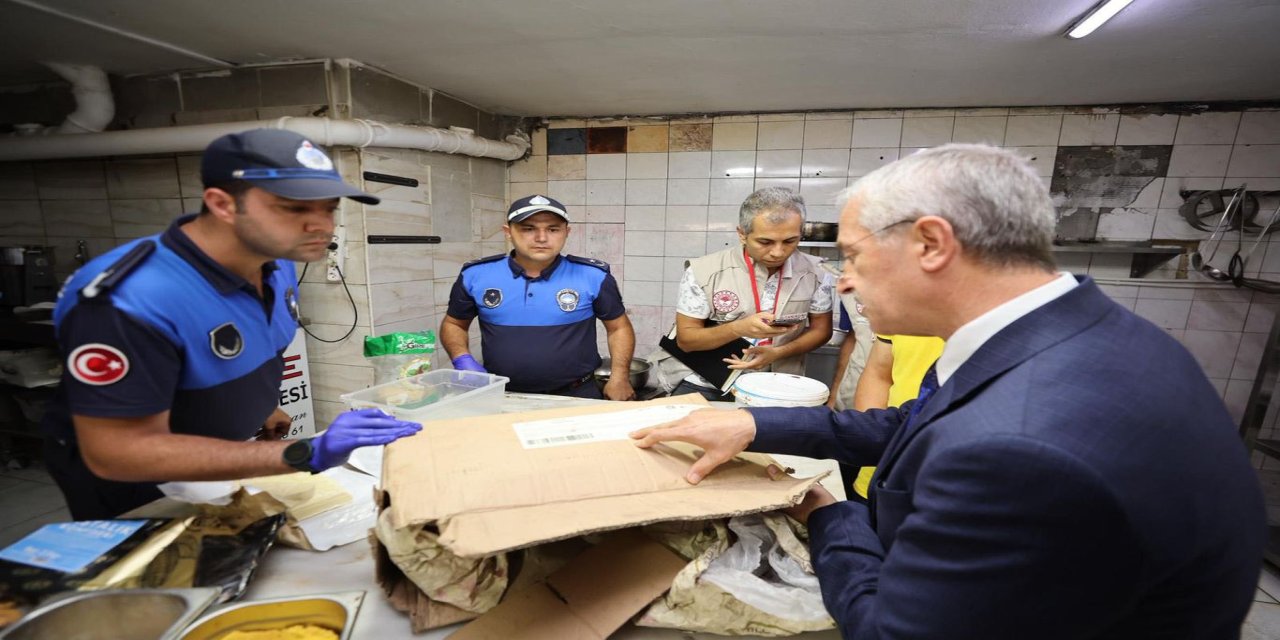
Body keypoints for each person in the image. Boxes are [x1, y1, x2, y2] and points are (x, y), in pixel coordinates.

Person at [632, 144, 1266, 638]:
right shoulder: (1074, 336)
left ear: (931, 244)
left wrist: (832, 517)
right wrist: (752, 427)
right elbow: (910, 422)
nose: (844, 284)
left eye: (852, 257)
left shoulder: (1024, 451)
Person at [41, 128, 422, 521]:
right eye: (293, 208)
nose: (321, 225)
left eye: (328, 208)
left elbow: (247, 344)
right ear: (222, 204)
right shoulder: (130, 299)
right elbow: (117, 453)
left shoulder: (278, 264)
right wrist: (303, 452)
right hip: (136, 478)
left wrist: (261, 406)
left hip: (216, 448)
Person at [440, 194, 636, 400]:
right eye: (528, 228)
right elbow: (454, 324)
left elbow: (618, 328)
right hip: (500, 394)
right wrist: (461, 358)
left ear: (566, 232)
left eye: (553, 229)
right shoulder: (476, 275)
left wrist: (619, 378)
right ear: (508, 232)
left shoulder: (593, 276)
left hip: (578, 394)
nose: (542, 238)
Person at [651, 187, 834, 399]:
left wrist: (778, 353)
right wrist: (739, 328)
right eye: (765, 242)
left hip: (777, 385)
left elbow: (822, 330)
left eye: (790, 241)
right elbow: (687, 340)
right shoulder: (704, 271)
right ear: (742, 234)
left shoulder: (816, 272)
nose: (778, 252)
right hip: (705, 382)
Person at [843, 333, 945, 499]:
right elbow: (878, 373)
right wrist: (875, 438)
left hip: (939, 485)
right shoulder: (902, 311)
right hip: (877, 472)